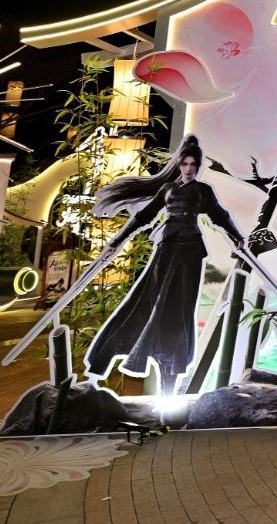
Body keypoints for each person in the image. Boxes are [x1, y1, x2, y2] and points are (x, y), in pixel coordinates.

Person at [84, 135, 249, 384]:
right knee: (147, 301)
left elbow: (220, 216)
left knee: (181, 307)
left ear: (198, 166)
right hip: (167, 249)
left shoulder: (203, 191)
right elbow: (143, 217)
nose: (189, 169)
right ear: (179, 165)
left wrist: (237, 237)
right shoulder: (168, 189)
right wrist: (117, 241)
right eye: (185, 164)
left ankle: (171, 363)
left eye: (193, 164)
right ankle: (106, 357)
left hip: (191, 253)